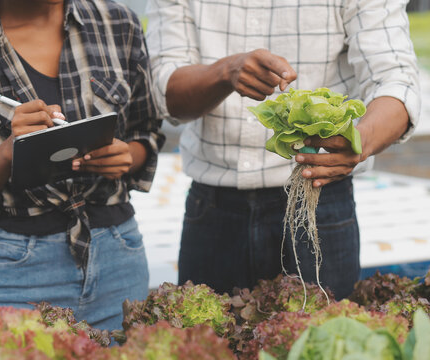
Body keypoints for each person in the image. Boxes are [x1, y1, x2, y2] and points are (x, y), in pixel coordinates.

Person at [145, 0, 420, 300]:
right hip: (214, 209)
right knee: (208, 339)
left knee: (322, 340)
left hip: (319, 201)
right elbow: (166, 93)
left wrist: (359, 142)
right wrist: (226, 71)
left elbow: (397, 82)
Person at [0, 0, 164, 331]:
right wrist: (8, 151)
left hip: (117, 255)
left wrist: (127, 157)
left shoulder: (118, 23)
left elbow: (145, 133)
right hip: (18, 267)